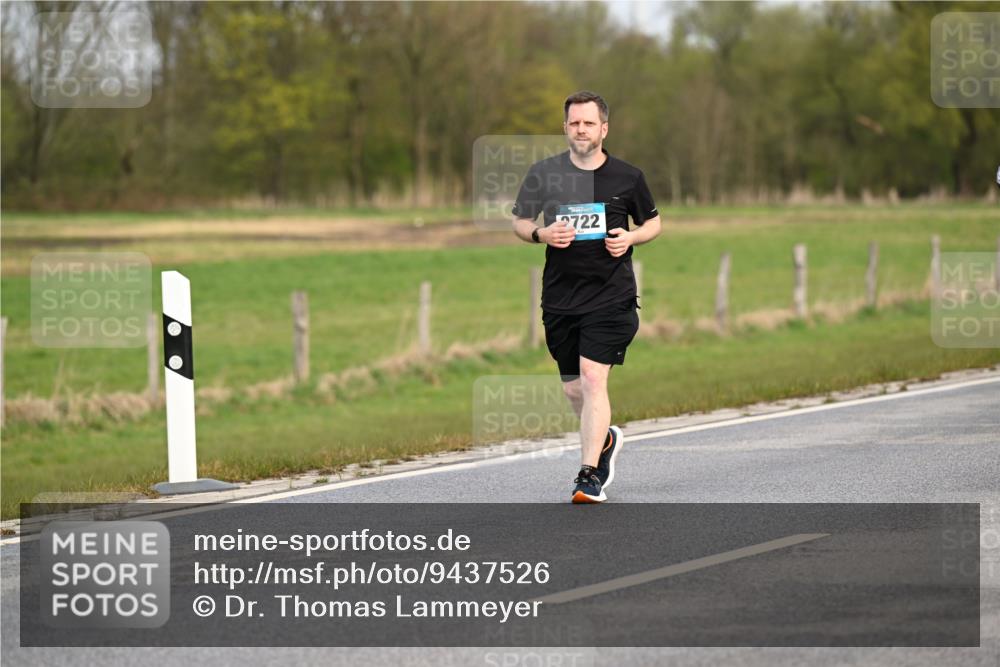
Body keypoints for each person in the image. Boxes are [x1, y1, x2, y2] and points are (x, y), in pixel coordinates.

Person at [510, 91, 662, 503]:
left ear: (603, 128)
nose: (581, 129)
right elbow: (521, 222)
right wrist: (541, 233)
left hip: (611, 295)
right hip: (561, 297)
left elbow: (653, 223)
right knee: (574, 390)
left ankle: (588, 475)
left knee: (594, 379)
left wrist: (631, 237)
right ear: (565, 128)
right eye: (574, 123)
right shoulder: (544, 174)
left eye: (589, 123)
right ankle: (605, 440)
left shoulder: (628, 177)